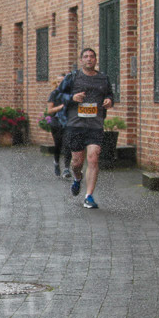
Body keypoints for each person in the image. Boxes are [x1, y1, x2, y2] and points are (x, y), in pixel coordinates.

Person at [55, 47, 114, 208]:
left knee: (93, 158)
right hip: (76, 125)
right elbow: (57, 95)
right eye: (86, 57)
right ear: (81, 60)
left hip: (95, 125)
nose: (89, 59)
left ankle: (89, 196)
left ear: (95, 60)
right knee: (77, 162)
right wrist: (72, 97)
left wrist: (109, 101)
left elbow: (110, 95)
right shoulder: (72, 77)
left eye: (92, 57)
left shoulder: (103, 78)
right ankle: (77, 178)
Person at [46, 73, 72, 177]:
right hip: (56, 121)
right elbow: (49, 110)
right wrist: (61, 107)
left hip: (68, 121)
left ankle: (66, 169)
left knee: (67, 144)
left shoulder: (70, 94)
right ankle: (56, 163)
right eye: (58, 81)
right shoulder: (54, 94)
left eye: (62, 81)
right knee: (58, 144)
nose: (60, 83)